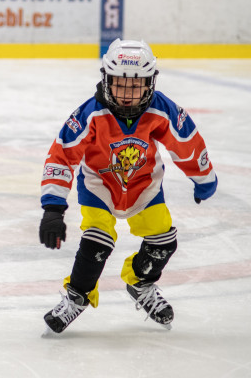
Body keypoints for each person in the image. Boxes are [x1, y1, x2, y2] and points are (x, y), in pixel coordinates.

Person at [38, 39, 217, 333]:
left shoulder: (161, 109)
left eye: (135, 86)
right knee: (97, 241)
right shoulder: (90, 113)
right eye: (120, 84)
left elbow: (185, 141)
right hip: (99, 186)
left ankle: (140, 282)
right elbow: (62, 155)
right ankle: (77, 297)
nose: (127, 94)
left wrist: (204, 177)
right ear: (107, 79)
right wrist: (53, 208)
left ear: (149, 83)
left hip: (144, 187)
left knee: (163, 242)